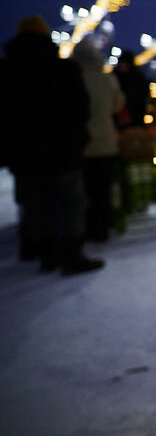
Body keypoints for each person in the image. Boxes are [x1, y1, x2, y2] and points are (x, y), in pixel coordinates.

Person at [0, 17, 104, 274]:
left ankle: (46, 254)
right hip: (63, 150)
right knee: (71, 203)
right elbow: (81, 109)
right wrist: (77, 137)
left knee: (36, 206)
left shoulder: (6, 71)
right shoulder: (64, 69)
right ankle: (72, 254)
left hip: (24, 154)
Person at [73, 38, 126, 242]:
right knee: (102, 191)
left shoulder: (74, 79)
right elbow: (118, 104)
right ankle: (102, 228)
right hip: (106, 141)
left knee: (83, 191)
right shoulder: (107, 79)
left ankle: (85, 228)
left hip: (82, 145)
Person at [113, 49, 149, 128]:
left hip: (133, 119)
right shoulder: (115, 78)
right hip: (118, 119)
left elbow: (140, 101)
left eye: (124, 63)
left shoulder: (137, 79)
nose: (122, 66)